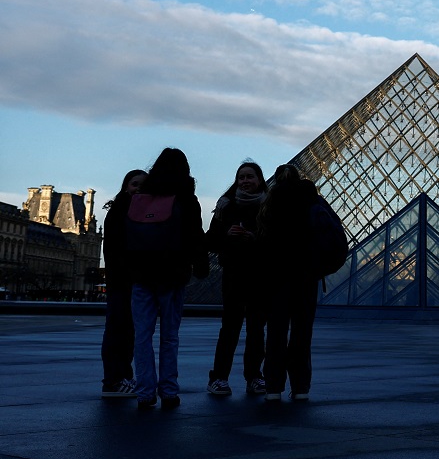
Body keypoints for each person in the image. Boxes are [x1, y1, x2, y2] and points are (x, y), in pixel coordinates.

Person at [126, 148, 208, 411]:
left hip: (141, 275)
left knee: (142, 336)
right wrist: (201, 265)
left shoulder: (140, 198)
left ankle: (144, 392)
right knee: (170, 336)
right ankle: (169, 391)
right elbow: (195, 235)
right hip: (172, 275)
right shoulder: (186, 198)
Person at [258, 164, 344, 401]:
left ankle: (273, 387)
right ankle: (300, 387)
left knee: (276, 333)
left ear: (276, 180)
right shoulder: (313, 200)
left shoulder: (270, 202)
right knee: (302, 333)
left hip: (278, 277)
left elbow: (263, 244)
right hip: (307, 276)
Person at [206, 161, 269, 398]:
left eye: (250, 176)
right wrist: (227, 234)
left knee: (256, 329)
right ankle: (219, 377)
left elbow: (277, 241)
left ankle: (254, 376)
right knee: (230, 328)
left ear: (259, 180)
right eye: (241, 177)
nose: (245, 181)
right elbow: (210, 240)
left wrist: (255, 238)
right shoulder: (226, 206)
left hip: (260, 274)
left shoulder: (269, 207)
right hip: (233, 273)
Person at [100, 169, 146, 399]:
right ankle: (113, 380)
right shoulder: (120, 211)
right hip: (122, 280)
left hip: (132, 279)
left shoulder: (131, 211)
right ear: (126, 186)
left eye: (143, 185)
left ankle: (123, 377)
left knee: (127, 331)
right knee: (118, 329)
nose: (138, 188)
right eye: (134, 184)